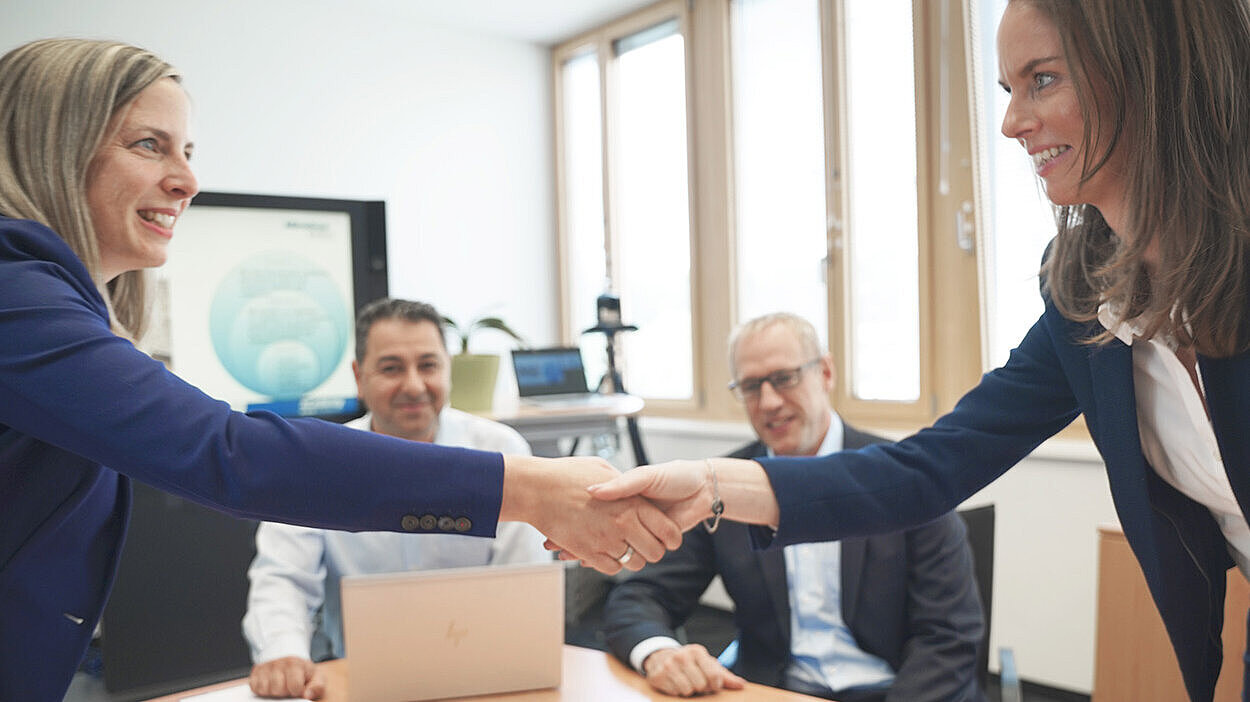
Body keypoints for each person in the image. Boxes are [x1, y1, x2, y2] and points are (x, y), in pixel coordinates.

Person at [587, 2, 1250, 700]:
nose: (1012, 122)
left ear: (1149, 72)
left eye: (1044, 79)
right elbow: (927, 469)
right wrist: (714, 485)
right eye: (1007, 91)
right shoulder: (1084, 292)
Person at [0, 38, 677, 701]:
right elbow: (227, 454)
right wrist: (526, 490)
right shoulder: (14, 293)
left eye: (187, 150)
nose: (187, 179)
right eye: (149, 144)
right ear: (52, 144)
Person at [601, 313, 985, 702]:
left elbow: (948, 638)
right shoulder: (720, 487)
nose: (769, 402)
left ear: (826, 372)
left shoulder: (903, 476)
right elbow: (640, 597)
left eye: (784, 379)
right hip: (774, 691)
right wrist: (659, 652)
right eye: (751, 386)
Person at [243, 297, 551, 699]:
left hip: (488, 681)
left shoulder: (501, 451)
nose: (414, 385)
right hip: (362, 685)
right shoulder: (319, 462)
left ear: (448, 369)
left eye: (428, 365)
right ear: (359, 376)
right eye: (391, 368)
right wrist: (282, 653)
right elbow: (283, 579)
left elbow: (523, 584)